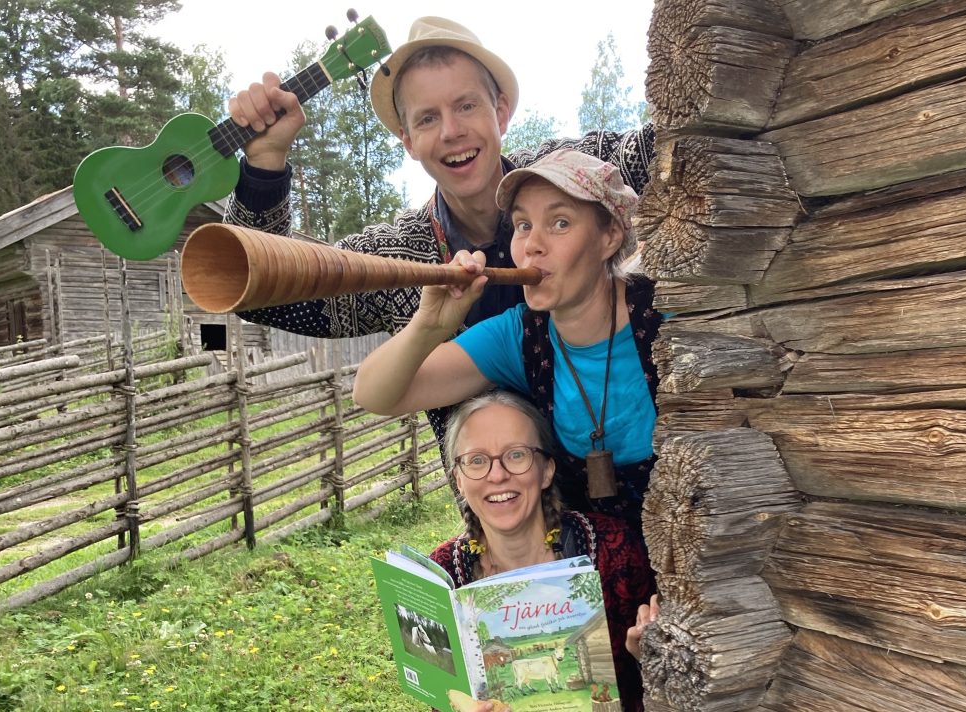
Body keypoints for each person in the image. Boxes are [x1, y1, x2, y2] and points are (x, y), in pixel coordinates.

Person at [223, 16, 655, 463]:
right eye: (428, 118)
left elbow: (675, 145)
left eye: (466, 106)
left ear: (501, 112)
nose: (451, 131)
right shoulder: (394, 257)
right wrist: (264, 167)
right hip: (498, 514)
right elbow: (261, 291)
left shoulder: (571, 173)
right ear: (408, 141)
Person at [354, 149, 662, 522]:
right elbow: (374, 394)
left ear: (610, 235)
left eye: (560, 223)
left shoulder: (667, 310)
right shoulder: (518, 335)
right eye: (522, 225)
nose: (531, 245)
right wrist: (429, 325)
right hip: (597, 570)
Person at [429, 389, 657, 712]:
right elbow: (439, 697)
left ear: (546, 471)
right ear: (459, 481)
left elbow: (660, 678)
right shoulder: (442, 575)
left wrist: (647, 653)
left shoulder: (612, 548)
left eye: (517, 455)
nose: (497, 475)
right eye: (477, 460)